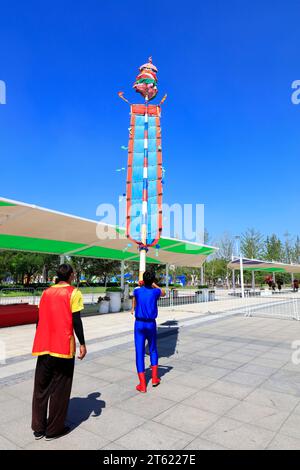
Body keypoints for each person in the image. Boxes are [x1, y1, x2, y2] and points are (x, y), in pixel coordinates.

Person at [31, 264, 87, 440]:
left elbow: (39, 319)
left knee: (41, 387)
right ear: (70, 275)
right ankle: (54, 429)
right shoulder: (74, 293)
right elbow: (76, 321)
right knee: (60, 389)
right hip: (63, 347)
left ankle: (38, 427)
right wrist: (82, 343)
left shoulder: (46, 292)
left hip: (44, 346)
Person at [131, 271, 166, 393]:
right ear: (153, 281)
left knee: (139, 352)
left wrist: (142, 284)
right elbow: (163, 292)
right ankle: (155, 378)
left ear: (143, 280)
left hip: (139, 324)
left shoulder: (137, 291)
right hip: (151, 324)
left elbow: (137, 295)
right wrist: (154, 284)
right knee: (153, 349)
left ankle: (142, 384)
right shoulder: (155, 292)